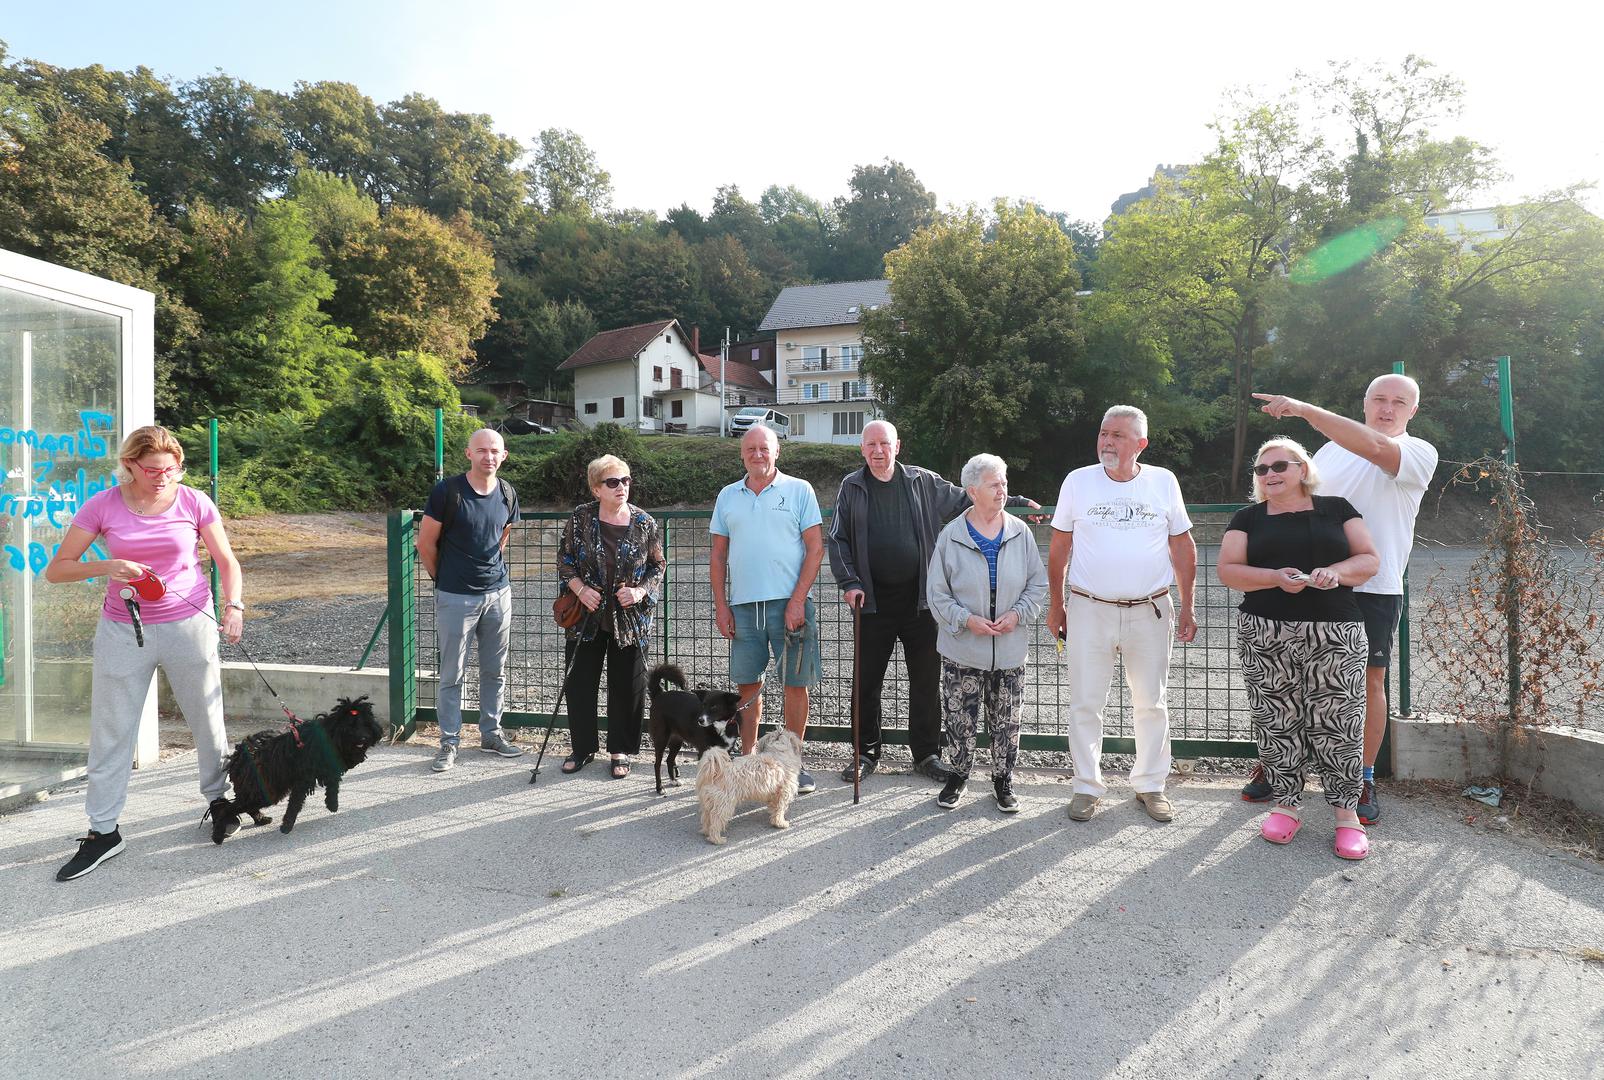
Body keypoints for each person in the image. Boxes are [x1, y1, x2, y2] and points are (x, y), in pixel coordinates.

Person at [45, 426, 245, 881]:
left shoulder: (194, 501)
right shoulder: (103, 505)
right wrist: (108, 565)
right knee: (112, 730)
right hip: (123, 629)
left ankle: (220, 801)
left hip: (189, 625)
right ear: (130, 465)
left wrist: (233, 608)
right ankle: (103, 832)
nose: (163, 478)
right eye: (153, 470)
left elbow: (227, 562)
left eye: (172, 470)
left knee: (206, 720)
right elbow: (58, 571)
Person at [1247, 375, 1438, 824]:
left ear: (1413, 410)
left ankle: (1363, 777)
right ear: (1365, 402)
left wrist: (1303, 409)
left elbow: (1375, 448)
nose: (1387, 408)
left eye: (1399, 402)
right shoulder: (1330, 451)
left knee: (1368, 684)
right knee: (1288, 680)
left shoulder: (1417, 452)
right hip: (1306, 584)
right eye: (1379, 399)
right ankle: (1279, 769)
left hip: (1371, 587)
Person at [826, 420, 1041, 784]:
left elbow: (968, 496)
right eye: (871, 445)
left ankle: (926, 754)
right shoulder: (852, 486)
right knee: (866, 681)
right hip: (872, 602)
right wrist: (850, 582)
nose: (878, 451)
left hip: (921, 601)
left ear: (898, 446)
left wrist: (1017, 504)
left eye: (885, 444)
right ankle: (865, 752)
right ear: (862, 449)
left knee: (925, 682)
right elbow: (837, 539)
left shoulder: (922, 481)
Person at [1217, 437, 1380, 859]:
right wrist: (1274, 577)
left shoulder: (1338, 508)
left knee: (1338, 720)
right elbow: (1229, 571)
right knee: (1276, 718)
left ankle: (1347, 815)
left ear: (1302, 469)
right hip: (1265, 631)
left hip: (1336, 632)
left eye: (1279, 466)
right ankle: (1286, 806)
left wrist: (1334, 572)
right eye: (1261, 469)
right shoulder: (1247, 517)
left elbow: (1368, 560)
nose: (1269, 475)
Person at [1046, 406, 1198, 824]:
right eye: (1103, 433)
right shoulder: (1078, 481)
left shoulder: (1163, 482)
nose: (1107, 442)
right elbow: (1059, 548)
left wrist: (1188, 606)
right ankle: (1086, 786)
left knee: (1152, 703)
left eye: (1118, 435)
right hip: (1088, 608)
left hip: (1149, 609)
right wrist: (1056, 605)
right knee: (1085, 703)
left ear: (1141, 444)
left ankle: (1150, 785)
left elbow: (1183, 547)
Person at [926, 454, 1046, 812]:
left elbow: (1037, 584)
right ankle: (959, 775)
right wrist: (965, 620)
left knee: (1008, 720)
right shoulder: (952, 536)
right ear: (973, 490)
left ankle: (1002, 780)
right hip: (964, 647)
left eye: (1005, 482)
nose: (1003, 490)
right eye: (995, 484)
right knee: (960, 718)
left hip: (1009, 647)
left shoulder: (1020, 532)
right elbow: (937, 594)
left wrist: (1017, 614)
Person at [710, 424, 824, 793]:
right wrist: (721, 606)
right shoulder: (728, 495)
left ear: (777, 452)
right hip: (743, 608)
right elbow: (718, 554)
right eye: (750, 449)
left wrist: (796, 601)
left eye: (764, 448)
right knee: (747, 688)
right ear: (742, 454)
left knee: (795, 683)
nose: (757, 454)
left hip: (791, 606)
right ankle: (747, 762)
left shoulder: (799, 490)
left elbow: (815, 549)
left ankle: (793, 765)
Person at [416, 428, 524, 772]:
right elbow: (425, 544)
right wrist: (443, 579)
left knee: (495, 671)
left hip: (498, 594)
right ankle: (449, 742)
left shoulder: (507, 493)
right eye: (482, 450)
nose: (488, 457)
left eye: (495, 451)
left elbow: (502, 537)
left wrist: (491, 576)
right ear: (469, 453)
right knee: (452, 673)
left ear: (503, 456)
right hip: (455, 597)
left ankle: (491, 734)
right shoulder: (447, 491)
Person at [556, 455, 665, 778]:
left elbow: (658, 566)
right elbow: (564, 558)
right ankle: (583, 748)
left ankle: (621, 751)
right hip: (586, 615)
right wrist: (578, 588)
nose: (622, 487)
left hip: (629, 618)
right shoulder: (580, 518)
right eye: (613, 482)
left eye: (626, 480)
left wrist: (640, 592)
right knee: (579, 683)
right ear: (596, 488)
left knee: (627, 685)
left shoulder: (644, 522)